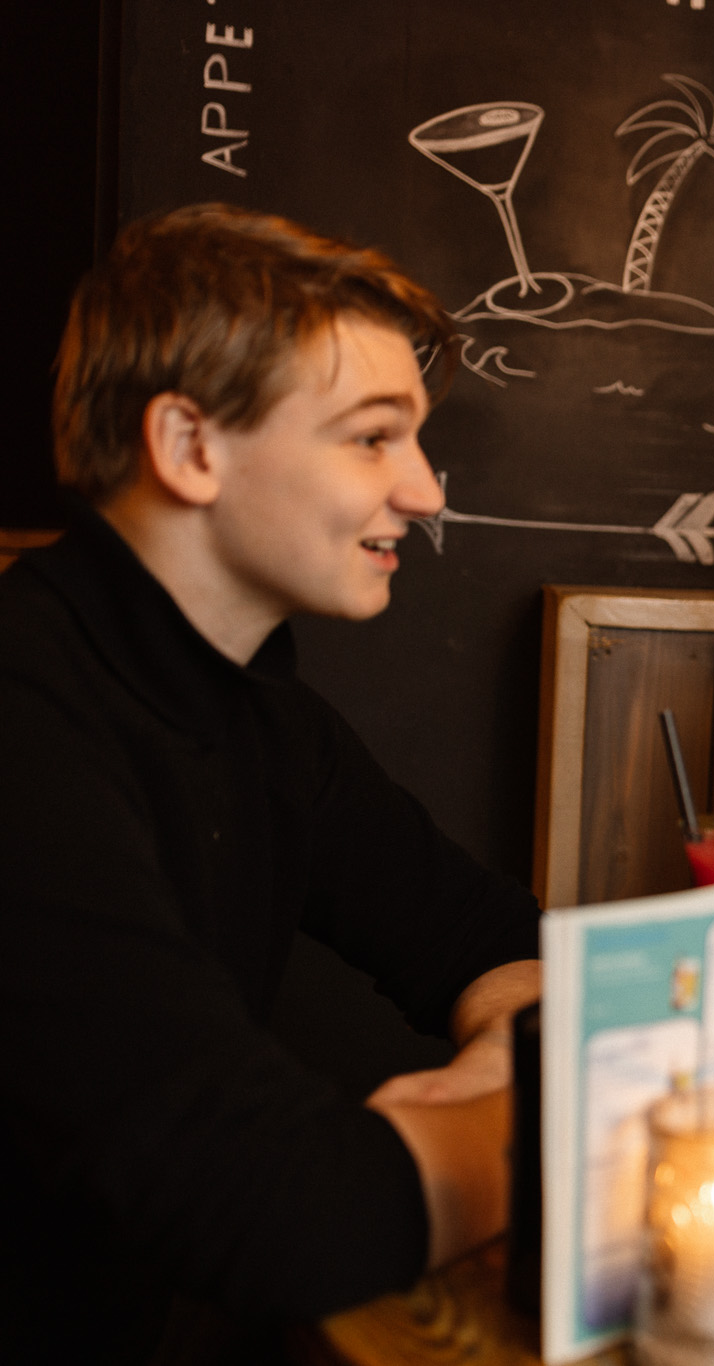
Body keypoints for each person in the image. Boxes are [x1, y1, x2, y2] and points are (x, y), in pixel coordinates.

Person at [0, 204, 542, 1363]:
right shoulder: (23, 708)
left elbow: (495, 939)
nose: (426, 491)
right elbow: (280, 1210)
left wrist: (506, 1064)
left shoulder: (264, 715)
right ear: (190, 445)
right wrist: (550, 1123)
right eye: (371, 438)